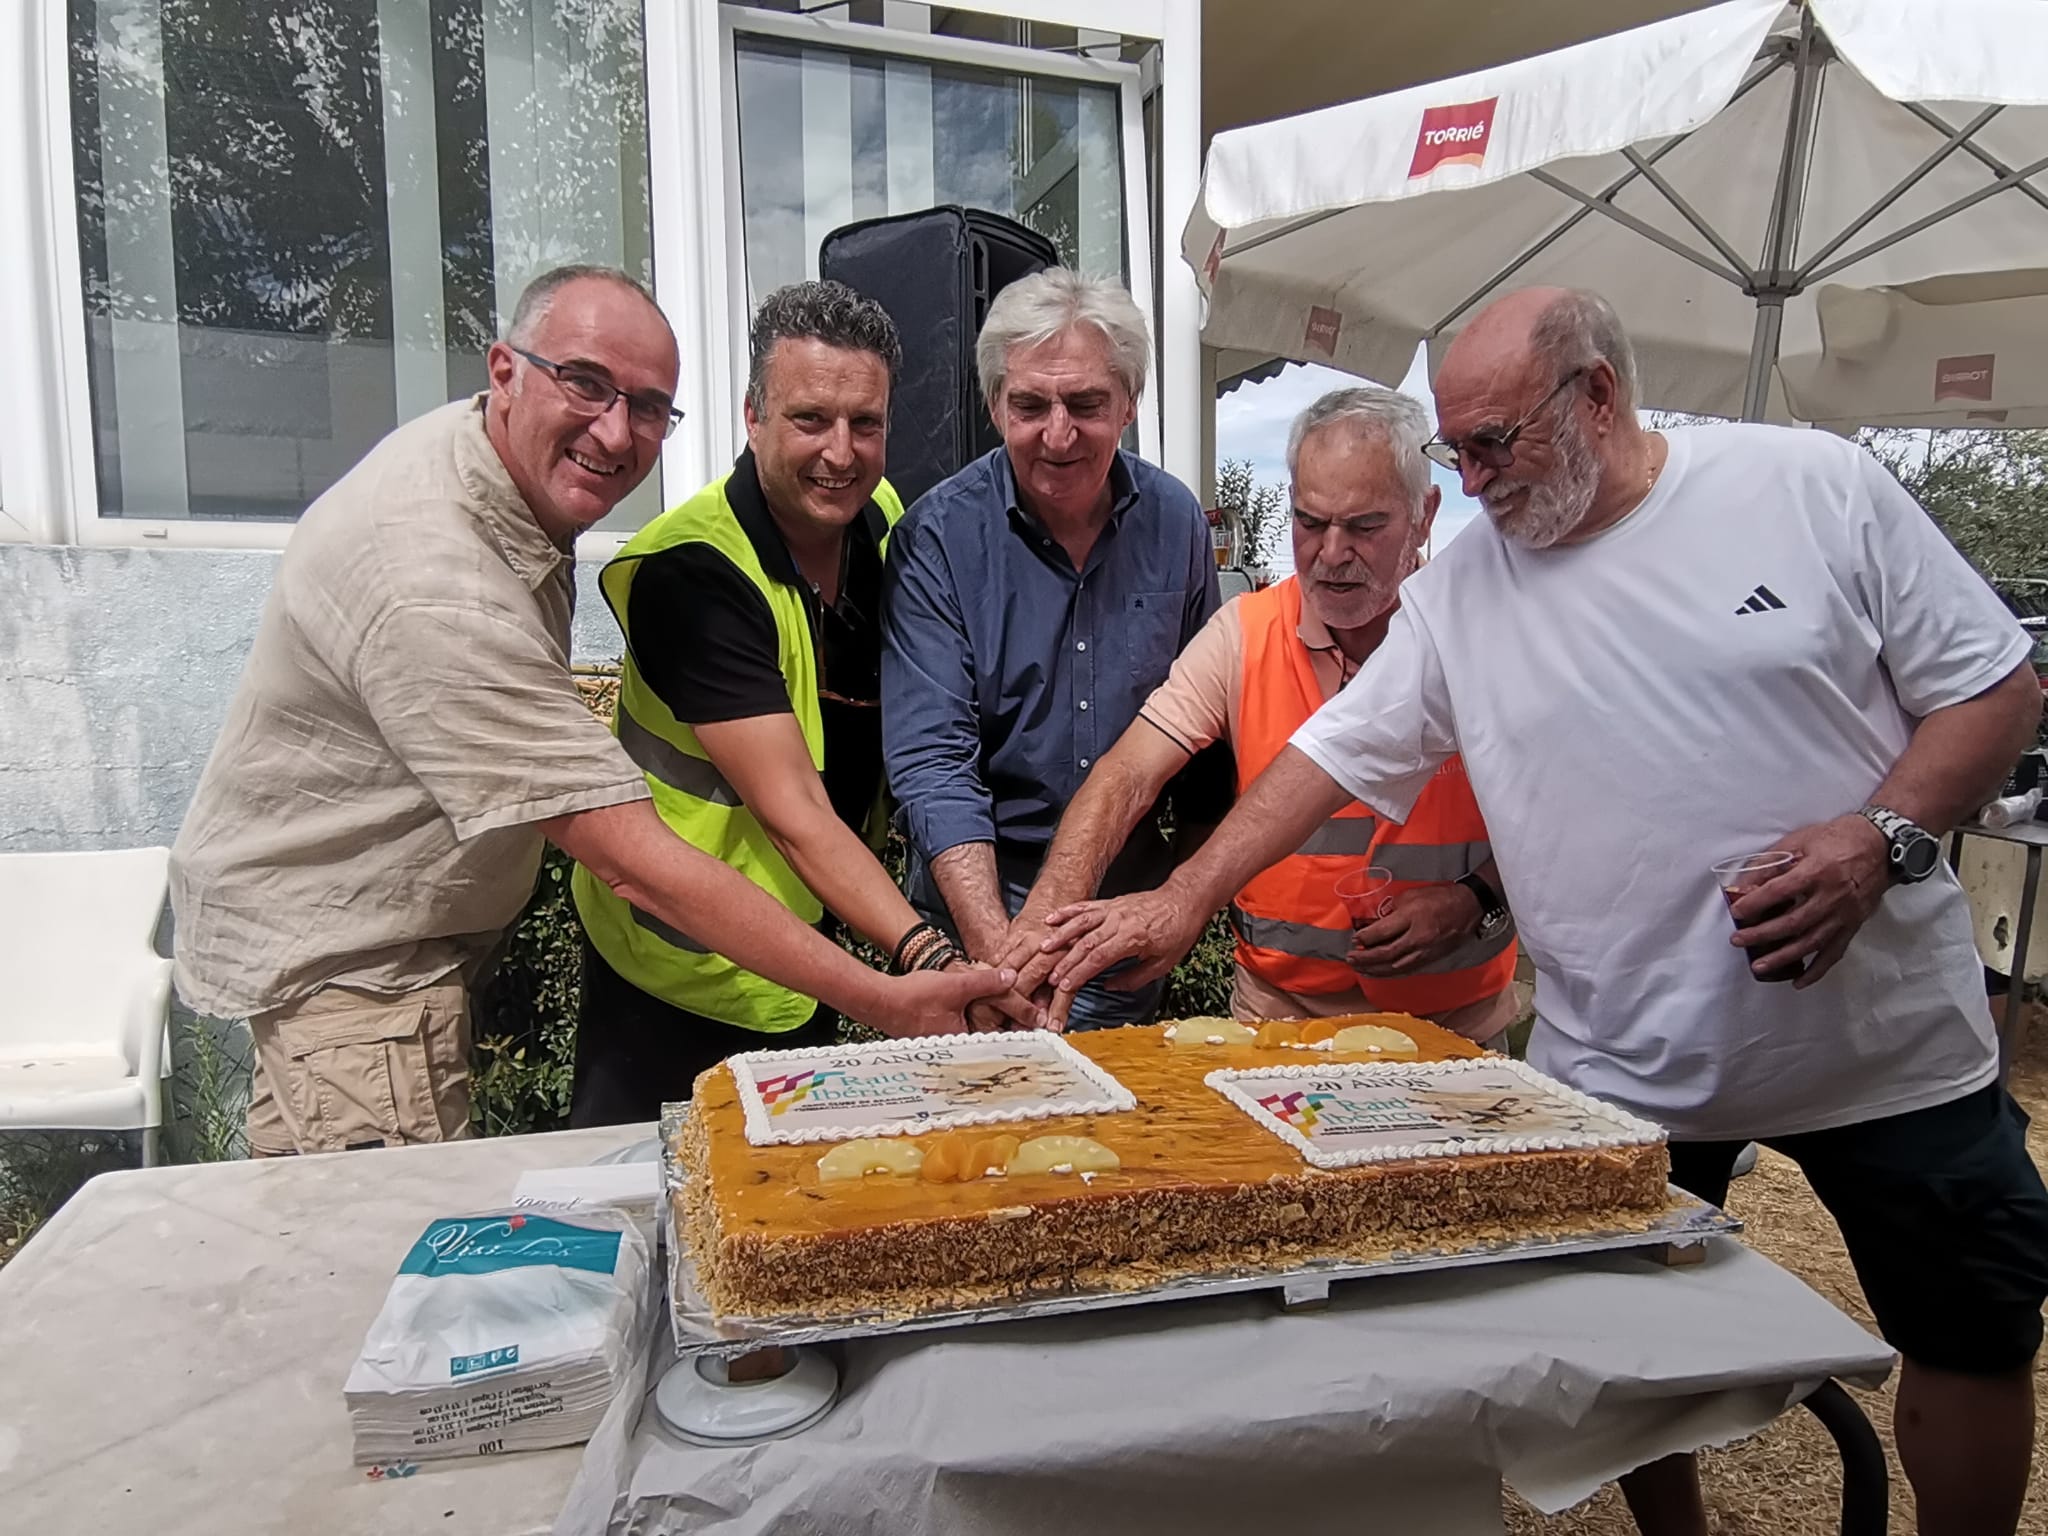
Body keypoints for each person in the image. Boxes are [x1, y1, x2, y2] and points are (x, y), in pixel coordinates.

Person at [1038, 287, 2048, 1536]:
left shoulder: (1812, 489)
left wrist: (1878, 836)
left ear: (1598, 396)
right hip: (1622, 1066)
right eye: (1454, 453)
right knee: (1618, 1355)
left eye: (1493, 445)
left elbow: (1994, 689)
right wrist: (1181, 901)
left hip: (1885, 1053)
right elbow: (1330, 757)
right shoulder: (1465, 596)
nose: (1469, 484)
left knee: (1970, 1331)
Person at [170, 265, 1008, 1158]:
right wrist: (903, 980)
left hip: (650, 953)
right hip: (371, 973)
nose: (615, 430)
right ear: (504, 372)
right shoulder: (451, 586)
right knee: (383, 1256)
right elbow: (653, 856)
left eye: (647, 404)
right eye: (584, 384)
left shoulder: (866, 514)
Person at [568, 281, 998, 1124]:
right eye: (810, 420)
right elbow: (795, 808)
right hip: (675, 982)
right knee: (658, 1216)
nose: (841, 453)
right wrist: (923, 955)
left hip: (806, 964)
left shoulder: (878, 519)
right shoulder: (687, 572)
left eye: (865, 424)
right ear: (752, 416)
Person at [1011, 386, 1518, 1041]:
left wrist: (1471, 900)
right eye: (1310, 522)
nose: (1332, 553)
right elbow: (1127, 773)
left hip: (1453, 1035)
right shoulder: (1246, 633)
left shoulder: (1486, 637)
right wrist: (1047, 918)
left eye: (1365, 526)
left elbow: (1567, 818)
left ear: (1424, 517)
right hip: (1278, 1033)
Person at [881, 268, 1223, 1030]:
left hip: (1112, 918)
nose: (1058, 434)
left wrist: (1183, 904)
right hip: (974, 898)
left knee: (1112, 1146)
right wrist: (1004, 963)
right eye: (1030, 405)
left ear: (1131, 403)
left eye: (1086, 405)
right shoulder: (935, 538)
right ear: (995, 404)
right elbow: (934, 764)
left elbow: (1210, 748)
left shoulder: (1176, 524)